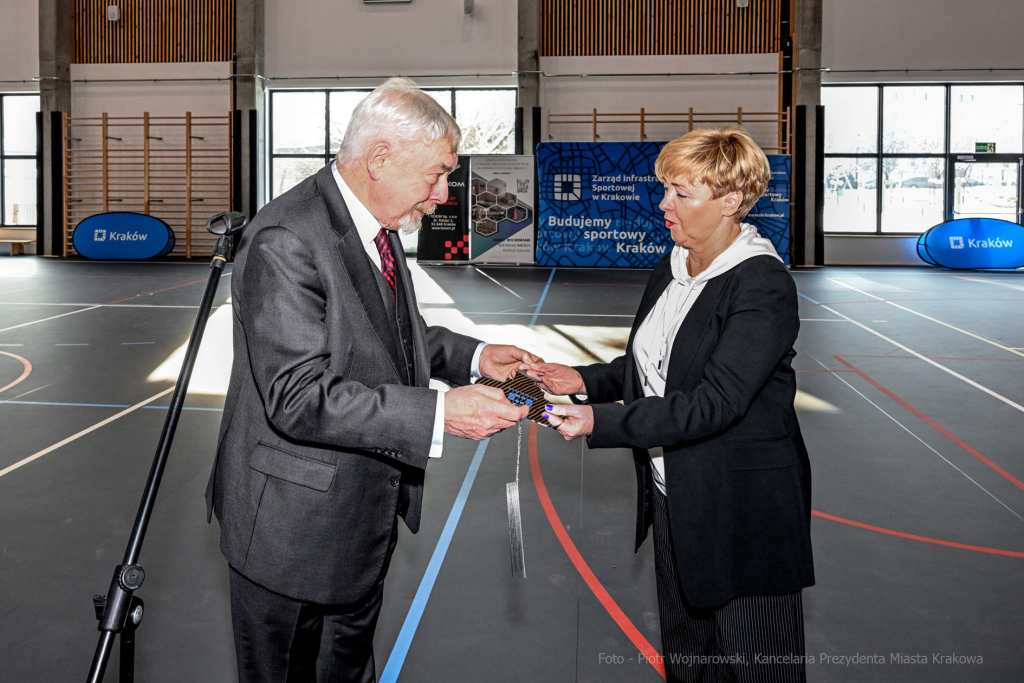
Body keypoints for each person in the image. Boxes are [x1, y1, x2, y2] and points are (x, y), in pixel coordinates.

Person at [205, 78, 540, 682]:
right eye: (435, 174)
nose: (441, 195)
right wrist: (439, 414)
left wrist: (476, 356)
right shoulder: (285, 238)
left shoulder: (377, 228)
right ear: (380, 159)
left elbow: (395, 335)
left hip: (357, 524)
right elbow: (298, 397)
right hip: (290, 531)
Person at [529, 126, 814, 682]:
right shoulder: (673, 265)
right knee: (688, 654)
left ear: (731, 201)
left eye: (682, 193)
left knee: (758, 664)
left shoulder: (762, 285)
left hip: (743, 505)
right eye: (665, 190)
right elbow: (657, 367)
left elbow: (716, 401)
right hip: (674, 492)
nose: (663, 204)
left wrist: (598, 420)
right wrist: (579, 379)